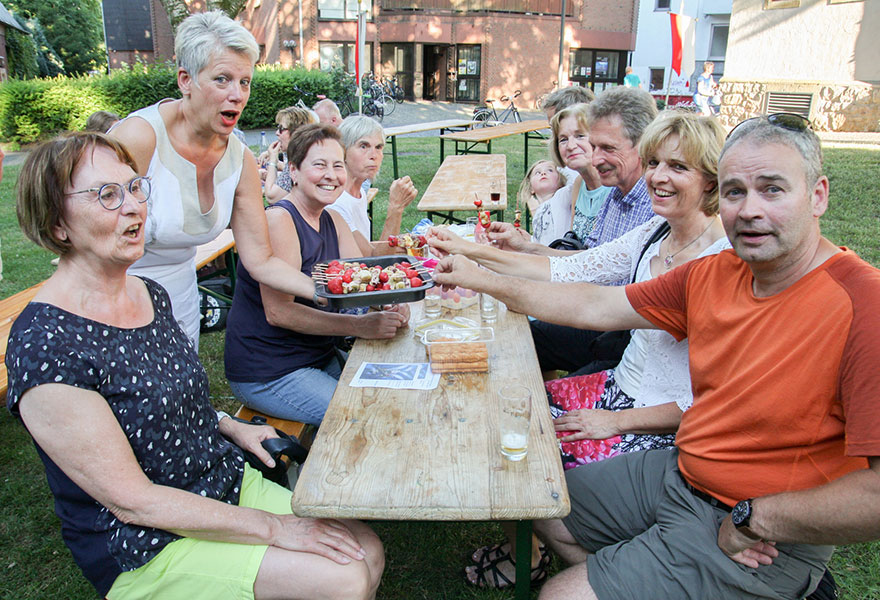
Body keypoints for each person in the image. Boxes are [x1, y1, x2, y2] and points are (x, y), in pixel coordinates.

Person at [434, 114, 880, 600]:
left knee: (561, 596)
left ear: (818, 196)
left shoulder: (864, 307)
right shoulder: (714, 272)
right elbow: (594, 302)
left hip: (762, 527)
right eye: (735, 192)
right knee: (539, 498)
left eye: (772, 189)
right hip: (681, 471)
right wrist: (479, 276)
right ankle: (648, 566)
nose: (749, 210)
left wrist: (758, 517)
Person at [7, 131, 385, 600]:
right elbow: (132, 501)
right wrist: (273, 529)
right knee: (343, 577)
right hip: (144, 540)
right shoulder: (47, 344)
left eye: (134, 186)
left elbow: (167, 398)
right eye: (106, 195)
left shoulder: (149, 294)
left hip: (215, 478)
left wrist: (227, 425)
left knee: (366, 548)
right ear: (56, 223)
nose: (132, 206)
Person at [430, 111, 730, 589]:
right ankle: (538, 549)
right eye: (653, 162)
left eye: (678, 166)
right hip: (615, 385)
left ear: (713, 178)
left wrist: (616, 420)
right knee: (496, 421)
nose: (657, 176)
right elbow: (571, 270)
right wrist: (476, 254)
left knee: (536, 475)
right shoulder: (657, 232)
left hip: (657, 421)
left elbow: (715, 399)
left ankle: (595, 566)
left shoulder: (721, 263)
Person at [110, 11, 317, 350]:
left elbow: (261, 260)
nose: (237, 94)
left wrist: (323, 290)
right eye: (222, 79)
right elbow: (85, 236)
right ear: (185, 80)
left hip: (183, 297)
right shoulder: (139, 137)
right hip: (117, 301)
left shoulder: (240, 158)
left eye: (245, 81)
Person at [225, 124, 410, 425]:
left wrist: (389, 305)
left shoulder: (333, 219)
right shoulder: (280, 220)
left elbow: (361, 284)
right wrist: (360, 326)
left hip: (318, 356)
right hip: (271, 371)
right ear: (294, 171)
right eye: (319, 165)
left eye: (338, 166)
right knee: (364, 417)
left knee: (391, 397)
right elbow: (279, 313)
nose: (331, 175)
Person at [489, 87, 658, 377]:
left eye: (605, 147)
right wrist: (517, 251)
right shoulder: (614, 192)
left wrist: (485, 274)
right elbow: (585, 261)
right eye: (563, 138)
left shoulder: (656, 205)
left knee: (536, 380)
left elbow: (598, 288)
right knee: (513, 342)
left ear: (642, 144)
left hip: (620, 339)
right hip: (599, 320)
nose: (594, 156)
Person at [327, 115, 418, 257]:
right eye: (364, 146)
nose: (373, 155)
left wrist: (399, 243)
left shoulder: (358, 193)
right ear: (342, 151)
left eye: (379, 147)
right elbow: (376, 262)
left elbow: (367, 248)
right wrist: (396, 208)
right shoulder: (337, 204)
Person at [262, 106, 319, 203]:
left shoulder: (299, 158)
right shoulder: (308, 152)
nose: (277, 133)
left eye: (281, 128)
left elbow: (271, 197)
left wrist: (273, 161)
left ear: (295, 132)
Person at [520, 159, 567, 245]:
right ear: (531, 188)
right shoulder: (538, 212)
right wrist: (530, 239)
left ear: (561, 183)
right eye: (537, 172)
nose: (543, 173)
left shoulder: (562, 197)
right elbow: (543, 241)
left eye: (550, 170)